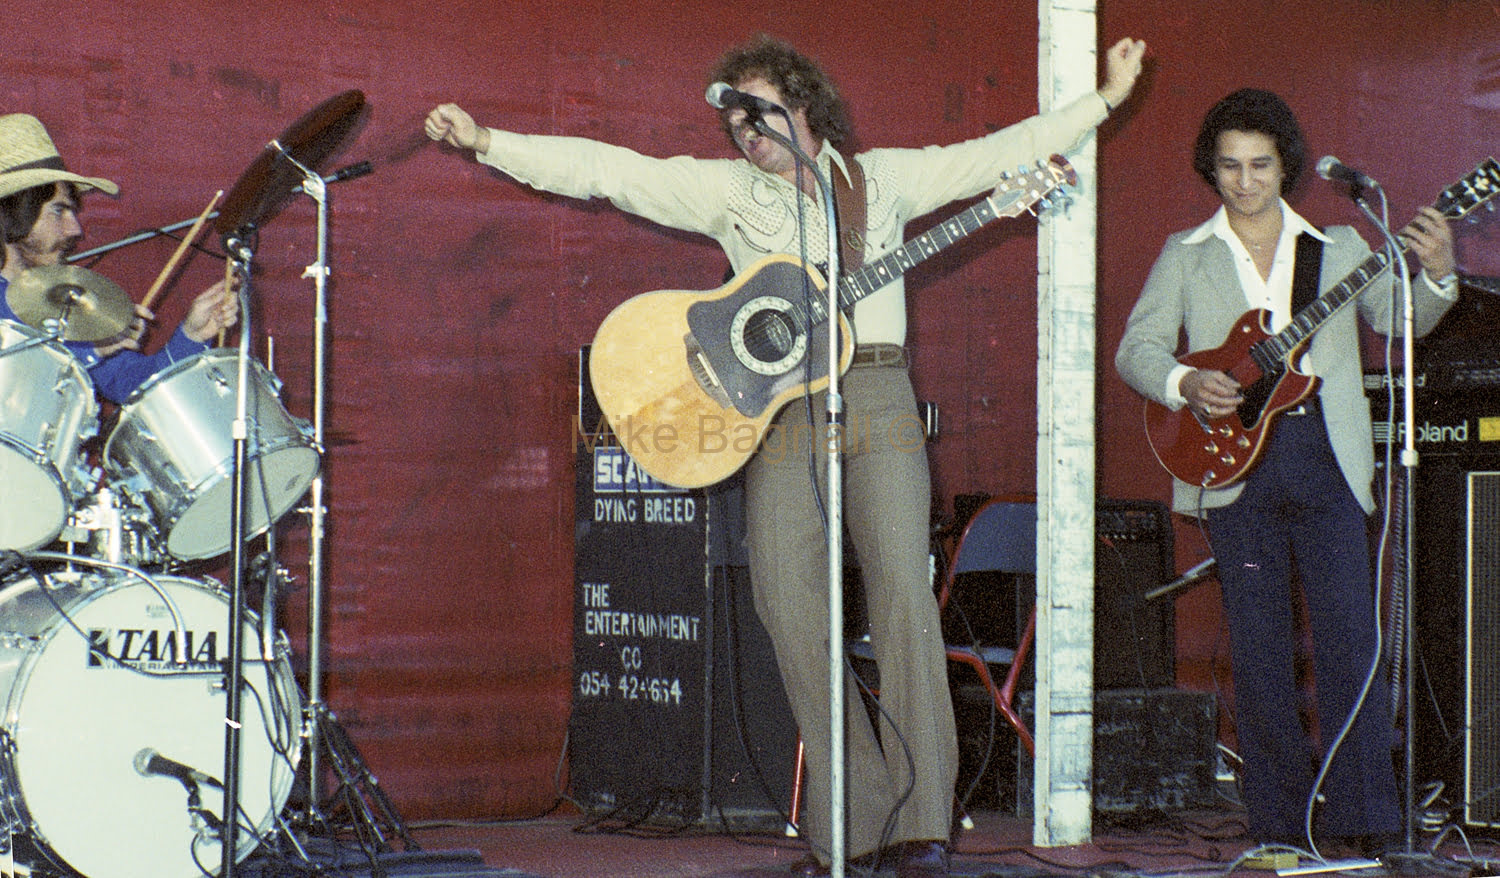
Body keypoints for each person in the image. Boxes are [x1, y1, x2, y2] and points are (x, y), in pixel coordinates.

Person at [427, 34, 1145, 876]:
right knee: (787, 603)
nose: (744, 129)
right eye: (734, 119)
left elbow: (996, 155)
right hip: (779, 412)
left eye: (759, 111)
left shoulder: (885, 178)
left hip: (875, 394)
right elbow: (609, 169)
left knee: (902, 597)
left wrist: (1104, 99)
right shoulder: (729, 191)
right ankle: (852, 824)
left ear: (804, 105)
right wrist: (489, 143)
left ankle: (922, 827)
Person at [1114, 88, 1457, 855]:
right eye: (1231, 166)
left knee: (1350, 643)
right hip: (1235, 469)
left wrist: (1434, 274)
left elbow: (1403, 321)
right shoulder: (1186, 253)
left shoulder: (1336, 247)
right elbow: (1135, 351)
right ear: (1213, 167)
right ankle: (1279, 823)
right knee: (1260, 651)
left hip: (1327, 459)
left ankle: (1366, 818)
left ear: (1286, 167)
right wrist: (1184, 384)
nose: (1244, 181)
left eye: (1260, 165)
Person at [0, 113, 238, 404]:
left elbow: (136, 390)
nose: (75, 228)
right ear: (13, 214)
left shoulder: (62, 304)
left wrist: (192, 335)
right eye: (58, 211)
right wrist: (93, 352)